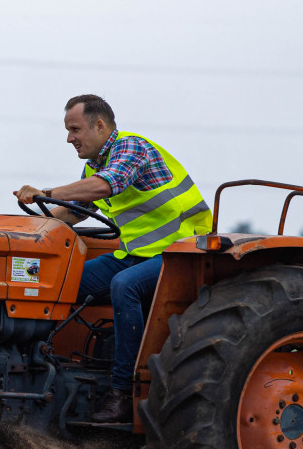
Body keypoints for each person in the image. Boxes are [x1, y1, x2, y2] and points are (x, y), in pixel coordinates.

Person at [14, 94, 212, 422]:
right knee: (57, 283)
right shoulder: (95, 164)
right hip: (137, 254)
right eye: (67, 130)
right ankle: (38, 364)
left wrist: (45, 193)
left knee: (124, 286)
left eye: (75, 129)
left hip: (181, 252)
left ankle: (122, 391)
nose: (69, 138)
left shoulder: (131, 149)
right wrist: (28, 230)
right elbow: (77, 212)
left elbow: (106, 186)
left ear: (100, 125)